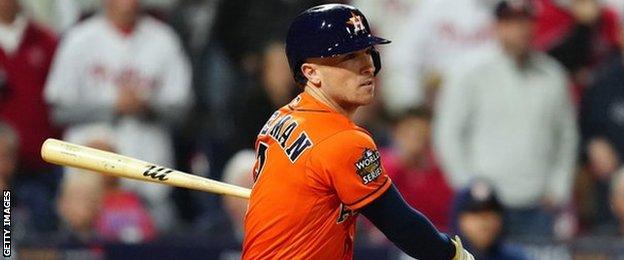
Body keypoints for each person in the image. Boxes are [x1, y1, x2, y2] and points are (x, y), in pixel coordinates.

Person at [242, 4, 474, 259]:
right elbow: (402, 225)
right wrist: (455, 255)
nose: (368, 67)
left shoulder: (282, 116)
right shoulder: (345, 140)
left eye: (367, 52)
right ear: (311, 72)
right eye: (349, 57)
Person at [434, 0, 578, 238]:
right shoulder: (469, 72)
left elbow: (566, 137)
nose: (521, 29)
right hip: (484, 205)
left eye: (526, 21)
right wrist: (468, 188)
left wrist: (558, 187)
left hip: (539, 204)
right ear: (496, 26)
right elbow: (448, 134)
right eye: (511, 22)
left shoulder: (553, 75)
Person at [44, 0, 191, 231]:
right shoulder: (79, 38)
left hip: (148, 177)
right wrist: (112, 107)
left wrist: (146, 106)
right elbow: (58, 109)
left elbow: (183, 109)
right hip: (86, 181)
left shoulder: (163, 38)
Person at [451, 180, 527, 259]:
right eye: (475, 212)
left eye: (490, 212)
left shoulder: (515, 257)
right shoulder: (445, 254)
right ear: (459, 219)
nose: (483, 220)